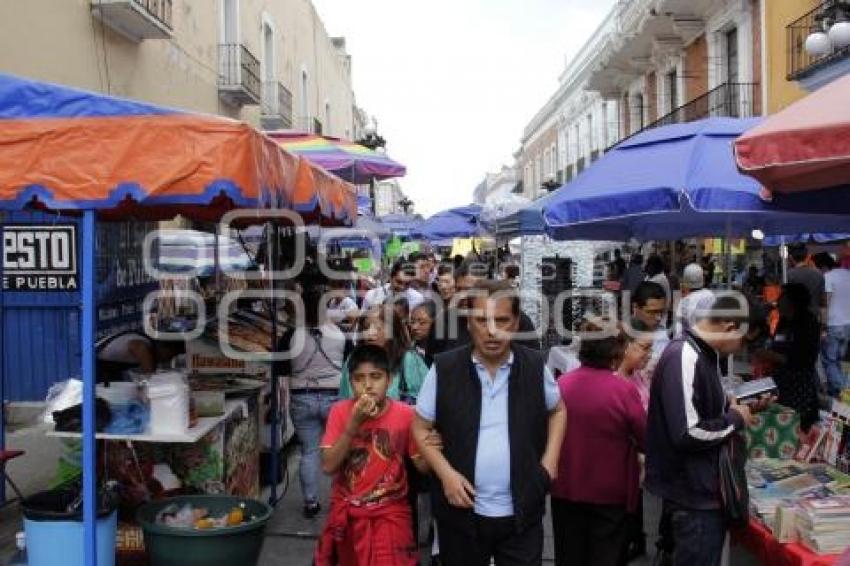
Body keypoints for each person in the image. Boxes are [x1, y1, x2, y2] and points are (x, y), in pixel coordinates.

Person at [413, 280, 567, 566]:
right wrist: (446, 474)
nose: (492, 331)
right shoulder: (446, 368)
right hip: (461, 514)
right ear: (469, 322)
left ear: (516, 322)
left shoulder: (534, 366)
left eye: (502, 320)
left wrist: (549, 463)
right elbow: (420, 427)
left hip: (522, 510)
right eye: (482, 320)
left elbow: (558, 410)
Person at [645, 296, 769, 566]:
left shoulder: (703, 354)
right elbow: (688, 433)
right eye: (744, 342)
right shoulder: (685, 356)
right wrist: (734, 419)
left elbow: (704, 409)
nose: (741, 350)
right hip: (694, 496)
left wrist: (740, 408)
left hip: (701, 492)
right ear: (729, 326)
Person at [315, 345, 429, 566]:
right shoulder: (340, 411)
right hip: (348, 515)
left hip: (390, 515)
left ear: (390, 379)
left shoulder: (406, 414)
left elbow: (422, 466)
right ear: (350, 382)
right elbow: (328, 467)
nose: (367, 385)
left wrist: (430, 444)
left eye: (375, 377)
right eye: (359, 379)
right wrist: (353, 425)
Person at [551, 325, 646, 566]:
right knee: (606, 555)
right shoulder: (623, 390)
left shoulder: (562, 384)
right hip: (609, 491)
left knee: (569, 553)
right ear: (617, 354)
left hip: (566, 486)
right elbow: (645, 436)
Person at [281, 284, 348, 519]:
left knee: (309, 452)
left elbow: (280, 369)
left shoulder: (290, 336)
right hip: (334, 398)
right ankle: (342, 499)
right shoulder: (339, 334)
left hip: (301, 397)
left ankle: (311, 502)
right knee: (339, 451)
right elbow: (349, 365)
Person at [757, 284, 821, 430]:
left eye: (782, 297)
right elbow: (777, 343)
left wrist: (773, 356)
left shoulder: (807, 323)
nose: (778, 301)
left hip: (799, 386)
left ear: (793, 301)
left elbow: (803, 359)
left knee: (796, 425)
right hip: (781, 382)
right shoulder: (784, 321)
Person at [339, 307, 429, 404]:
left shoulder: (408, 359)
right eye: (366, 328)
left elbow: (424, 400)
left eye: (377, 328)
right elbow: (344, 398)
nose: (370, 333)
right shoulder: (353, 358)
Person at [818, 253, 850, 396]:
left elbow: (826, 303)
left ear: (824, 266)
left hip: (833, 324)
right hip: (847, 324)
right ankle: (834, 391)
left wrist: (823, 327)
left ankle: (843, 391)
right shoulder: (848, 275)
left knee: (829, 361)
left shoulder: (828, 277)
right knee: (839, 361)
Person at [675, 263, 715, 338]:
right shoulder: (710, 295)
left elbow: (678, 328)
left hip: (691, 342)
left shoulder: (684, 301)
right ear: (702, 278)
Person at [787, 243, 824, 319]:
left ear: (791, 257)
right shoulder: (818, 273)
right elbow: (822, 297)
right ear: (806, 256)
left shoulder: (789, 275)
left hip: (796, 315)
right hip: (814, 314)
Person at [409, 300, 440, 367]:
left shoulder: (443, 353)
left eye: (422, 323)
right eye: (412, 322)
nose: (414, 327)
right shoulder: (408, 352)